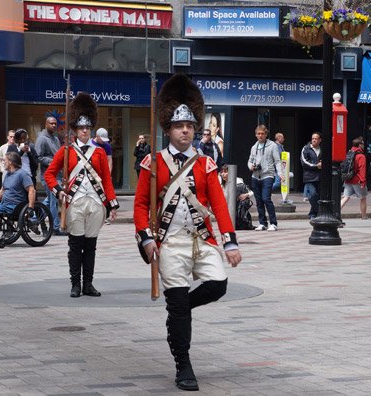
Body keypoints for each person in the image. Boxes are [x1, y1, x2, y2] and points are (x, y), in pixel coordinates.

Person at [133, 74, 241, 391]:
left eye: (190, 126)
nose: (185, 131)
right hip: (169, 244)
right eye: (180, 127)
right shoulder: (153, 163)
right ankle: (184, 364)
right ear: (168, 130)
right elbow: (140, 205)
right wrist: (146, 237)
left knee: (218, 285)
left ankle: (181, 308)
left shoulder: (205, 163)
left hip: (201, 240)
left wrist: (230, 242)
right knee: (178, 309)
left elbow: (220, 207)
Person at [45, 92, 119, 298]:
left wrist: (112, 205)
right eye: (81, 128)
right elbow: (49, 174)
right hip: (74, 203)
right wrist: (58, 191)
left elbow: (106, 180)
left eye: (87, 128)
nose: (84, 131)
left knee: (91, 246)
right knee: (75, 246)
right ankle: (75, 284)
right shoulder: (66, 151)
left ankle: (88, 284)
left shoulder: (100, 152)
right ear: (75, 130)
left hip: (96, 203)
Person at [247, 124, 283, 231]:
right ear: (256, 135)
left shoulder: (272, 146)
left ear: (266, 134)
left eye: (262, 133)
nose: (260, 136)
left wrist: (280, 174)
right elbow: (250, 160)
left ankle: (273, 223)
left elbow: (277, 161)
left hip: (268, 175)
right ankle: (262, 223)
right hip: (255, 176)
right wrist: (251, 166)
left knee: (266, 198)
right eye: (258, 134)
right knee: (258, 201)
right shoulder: (254, 147)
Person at [35, 117, 66, 236]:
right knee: (54, 201)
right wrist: (52, 162)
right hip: (48, 175)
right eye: (51, 123)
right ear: (46, 124)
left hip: (57, 174)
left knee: (49, 200)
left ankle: (33, 219)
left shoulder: (56, 138)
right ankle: (55, 227)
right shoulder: (42, 139)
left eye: (55, 124)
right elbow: (38, 157)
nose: (54, 125)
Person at [0, 152, 35, 216]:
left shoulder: (23, 174)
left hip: (15, 205)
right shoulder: (8, 174)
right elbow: (2, 190)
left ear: (10, 162)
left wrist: (30, 208)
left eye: (5, 160)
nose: (3, 162)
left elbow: (32, 190)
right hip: (4, 204)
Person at [219, 164, 255, 230]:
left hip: (236, 207)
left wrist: (246, 195)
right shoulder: (221, 182)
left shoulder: (237, 181)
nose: (223, 174)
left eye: (225, 172)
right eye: (222, 172)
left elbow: (251, 192)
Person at [340, 137, 368, 219]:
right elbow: (362, 169)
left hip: (348, 179)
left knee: (345, 197)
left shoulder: (349, 153)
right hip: (357, 180)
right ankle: (364, 216)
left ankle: (336, 213)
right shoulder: (361, 156)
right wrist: (363, 181)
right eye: (362, 144)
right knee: (363, 198)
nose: (363, 146)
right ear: (359, 145)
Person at [300, 132, 322, 220]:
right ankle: (320, 212)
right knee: (312, 195)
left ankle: (313, 214)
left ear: (320, 140)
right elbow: (304, 162)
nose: (314, 140)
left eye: (316, 139)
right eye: (313, 138)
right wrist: (316, 165)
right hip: (309, 177)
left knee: (319, 197)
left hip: (320, 177)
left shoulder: (322, 149)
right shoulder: (306, 149)